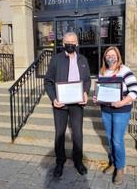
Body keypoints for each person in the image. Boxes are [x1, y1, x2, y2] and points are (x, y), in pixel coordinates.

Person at [44, 32, 91, 178]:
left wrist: (85, 92)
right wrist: (53, 98)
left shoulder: (83, 60)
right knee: (60, 133)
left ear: (77, 44)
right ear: (63, 44)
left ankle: (78, 161)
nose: (70, 44)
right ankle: (60, 162)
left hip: (77, 104)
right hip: (60, 104)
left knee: (77, 134)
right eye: (67, 42)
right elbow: (48, 81)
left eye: (72, 41)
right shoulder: (56, 59)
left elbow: (88, 80)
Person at [93, 46, 137, 185]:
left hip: (121, 110)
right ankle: (113, 162)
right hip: (106, 109)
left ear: (118, 57)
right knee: (109, 137)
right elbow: (100, 90)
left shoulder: (125, 70)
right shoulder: (103, 72)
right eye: (108, 55)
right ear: (105, 58)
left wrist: (122, 102)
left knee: (117, 140)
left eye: (113, 55)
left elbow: (135, 90)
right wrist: (96, 98)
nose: (110, 58)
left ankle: (120, 168)